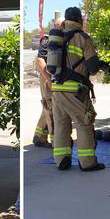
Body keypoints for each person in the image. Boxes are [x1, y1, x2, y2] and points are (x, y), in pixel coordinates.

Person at [51, 7, 108, 172]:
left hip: (57, 88)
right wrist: (101, 64)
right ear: (80, 20)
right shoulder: (83, 38)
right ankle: (87, 162)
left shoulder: (57, 38)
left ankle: (61, 160)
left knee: (61, 125)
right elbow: (92, 68)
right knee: (84, 122)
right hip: (75, 90)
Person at [33, 19, 63, 148]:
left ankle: (39, 136)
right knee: (51, 108)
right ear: (56, 26)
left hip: (57, 77)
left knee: (47, 107)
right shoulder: (48, 40)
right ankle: (56, 141)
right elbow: (40, 60)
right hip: (48, 77)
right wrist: (48, 79)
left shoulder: (63, 39)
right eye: (62, 25)